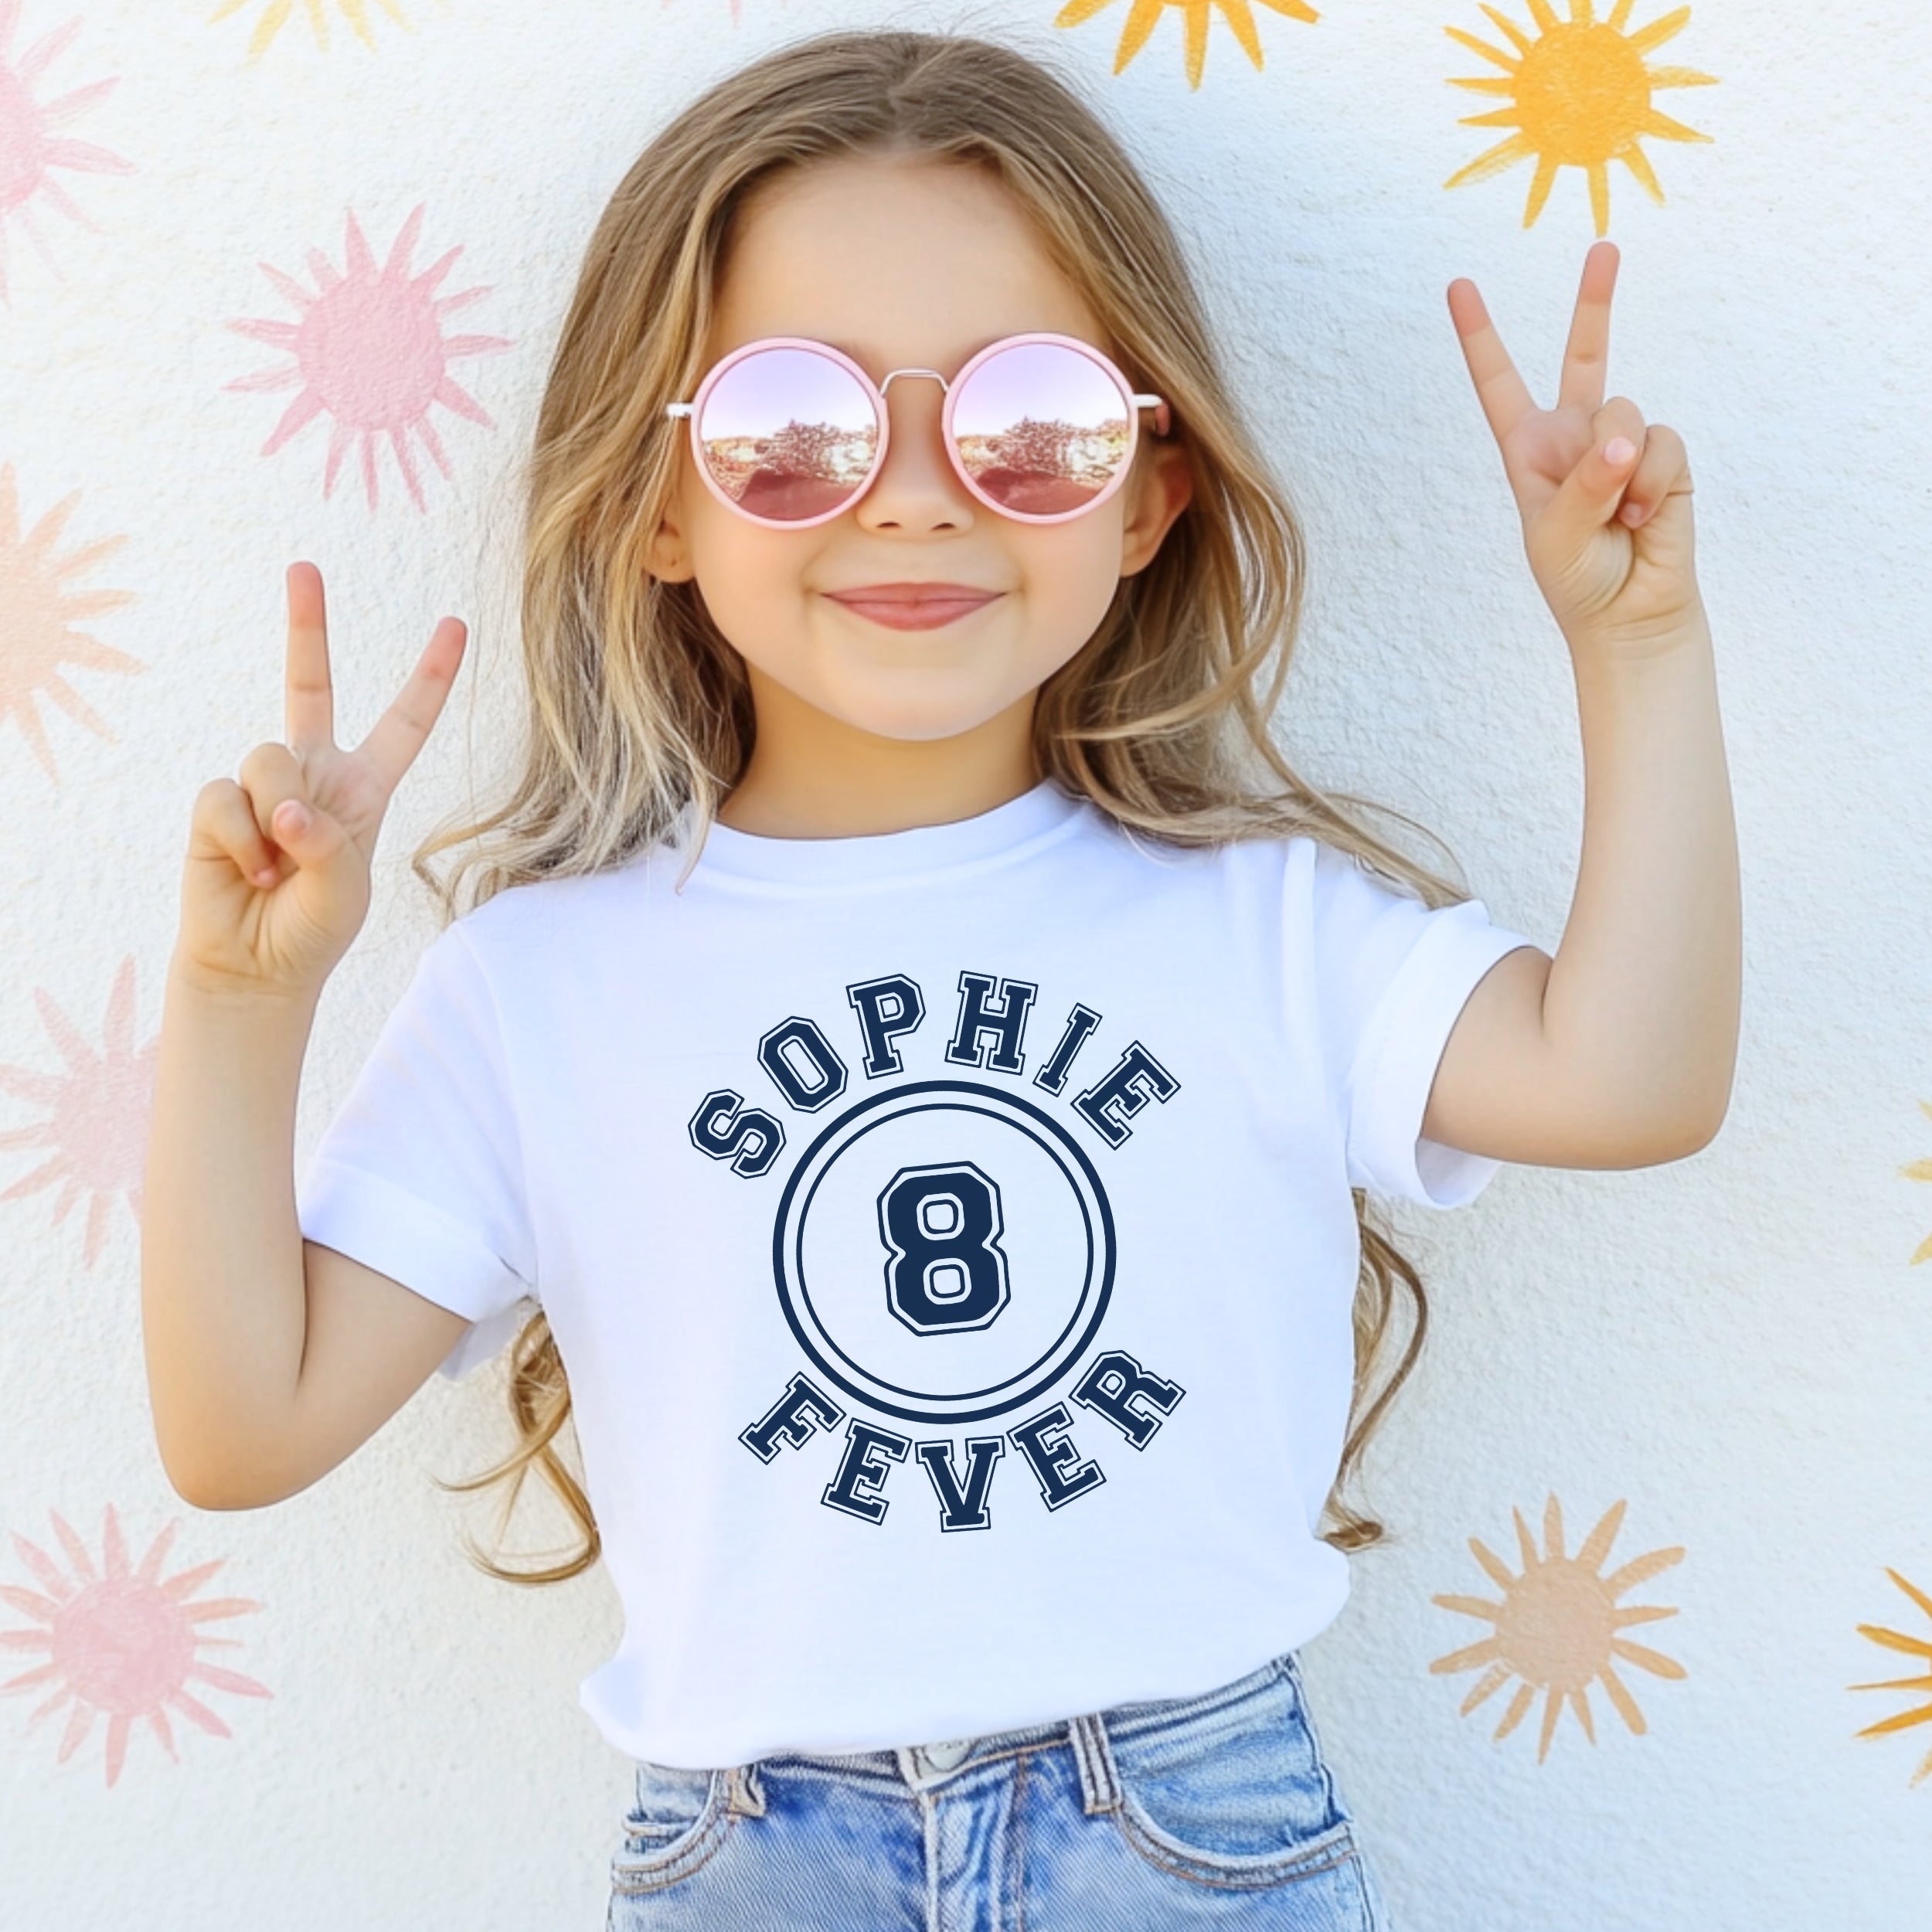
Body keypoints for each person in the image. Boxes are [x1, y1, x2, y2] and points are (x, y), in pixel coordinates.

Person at [141, 27, 1740, 1930]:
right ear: (660, 504)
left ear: (1144, 499)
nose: (910, 495)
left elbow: (1629, 1080)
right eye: (791, 429)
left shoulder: (1260, 928)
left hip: (1190, 1819)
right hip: (751, 1856)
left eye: (1033, 422)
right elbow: (243, 1427)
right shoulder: (535, 988)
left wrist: (1633, 644)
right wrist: (244, 1009)